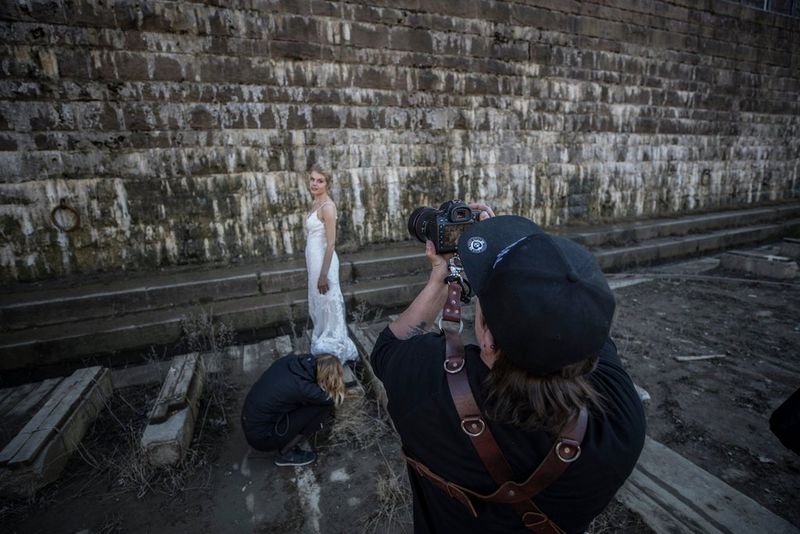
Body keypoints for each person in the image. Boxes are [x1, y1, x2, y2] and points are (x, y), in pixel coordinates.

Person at [370, 208, 646, 533]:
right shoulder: (621, 421)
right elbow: (572, 310)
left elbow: (387, 347)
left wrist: (441, 277)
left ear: (488, 340)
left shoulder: (427, 388)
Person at [241, 352, 345, 466]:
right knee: (322, 406)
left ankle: (287, 439)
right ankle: (285, 453)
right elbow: (331, 398)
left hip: (251, 423)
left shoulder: (290, 361)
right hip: (262, 438)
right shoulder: (303, 388)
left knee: (305, 403)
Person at [304, 167, 358, 363]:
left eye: (320, 181)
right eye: (312, 179)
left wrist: (323, 274)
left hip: (323, 263)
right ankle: (324, 336)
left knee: (328, 300)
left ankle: (335, 342)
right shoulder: (315, 203)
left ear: (327, 184)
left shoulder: (328, 207)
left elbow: (331, 243)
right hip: (314, 260)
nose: (314, 184)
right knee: (319, 301)